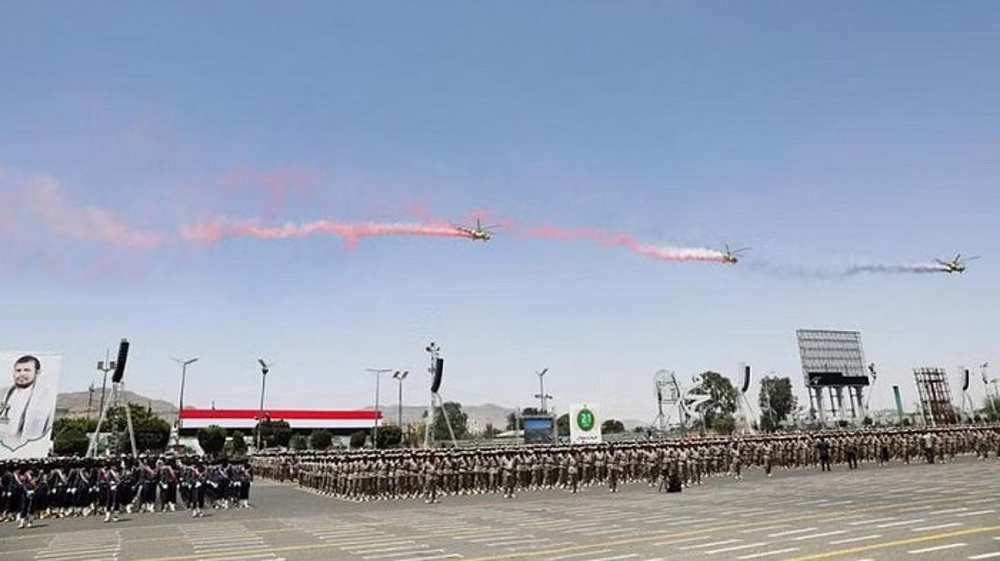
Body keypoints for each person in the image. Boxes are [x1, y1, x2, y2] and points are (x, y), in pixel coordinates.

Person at [0, 356, 55, 453]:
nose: (22, 374)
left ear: (37, 373)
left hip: (29, 450)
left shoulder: (45, 398)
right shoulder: (5, 394)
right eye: (18, 370)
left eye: (27, 370)